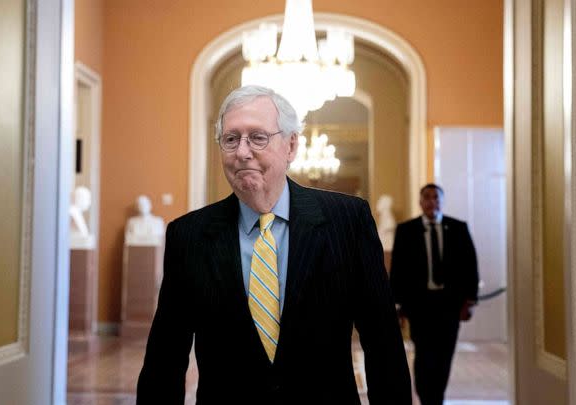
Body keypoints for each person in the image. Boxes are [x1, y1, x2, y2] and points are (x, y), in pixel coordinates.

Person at [136, 85, 412, 404]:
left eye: (257, 137)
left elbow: (382, 343)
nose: (242, 152)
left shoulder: (348, 221)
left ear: (291, 146)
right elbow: (165, 359)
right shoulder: (189, 235)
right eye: (231, 139)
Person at [389, 183, 479, 405]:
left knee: (444, 356)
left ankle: (435, 398)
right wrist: (397, 306)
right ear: (420, 202)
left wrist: (470, 301)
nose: (432, 202)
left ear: (441, 201)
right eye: (427, 198)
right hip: (420, 306)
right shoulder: (406, 231)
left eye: (436, 198)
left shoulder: (458, 228)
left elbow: (470, 266)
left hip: (449, 305)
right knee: (424, 357)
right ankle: (428, 397)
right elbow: (398, 270)